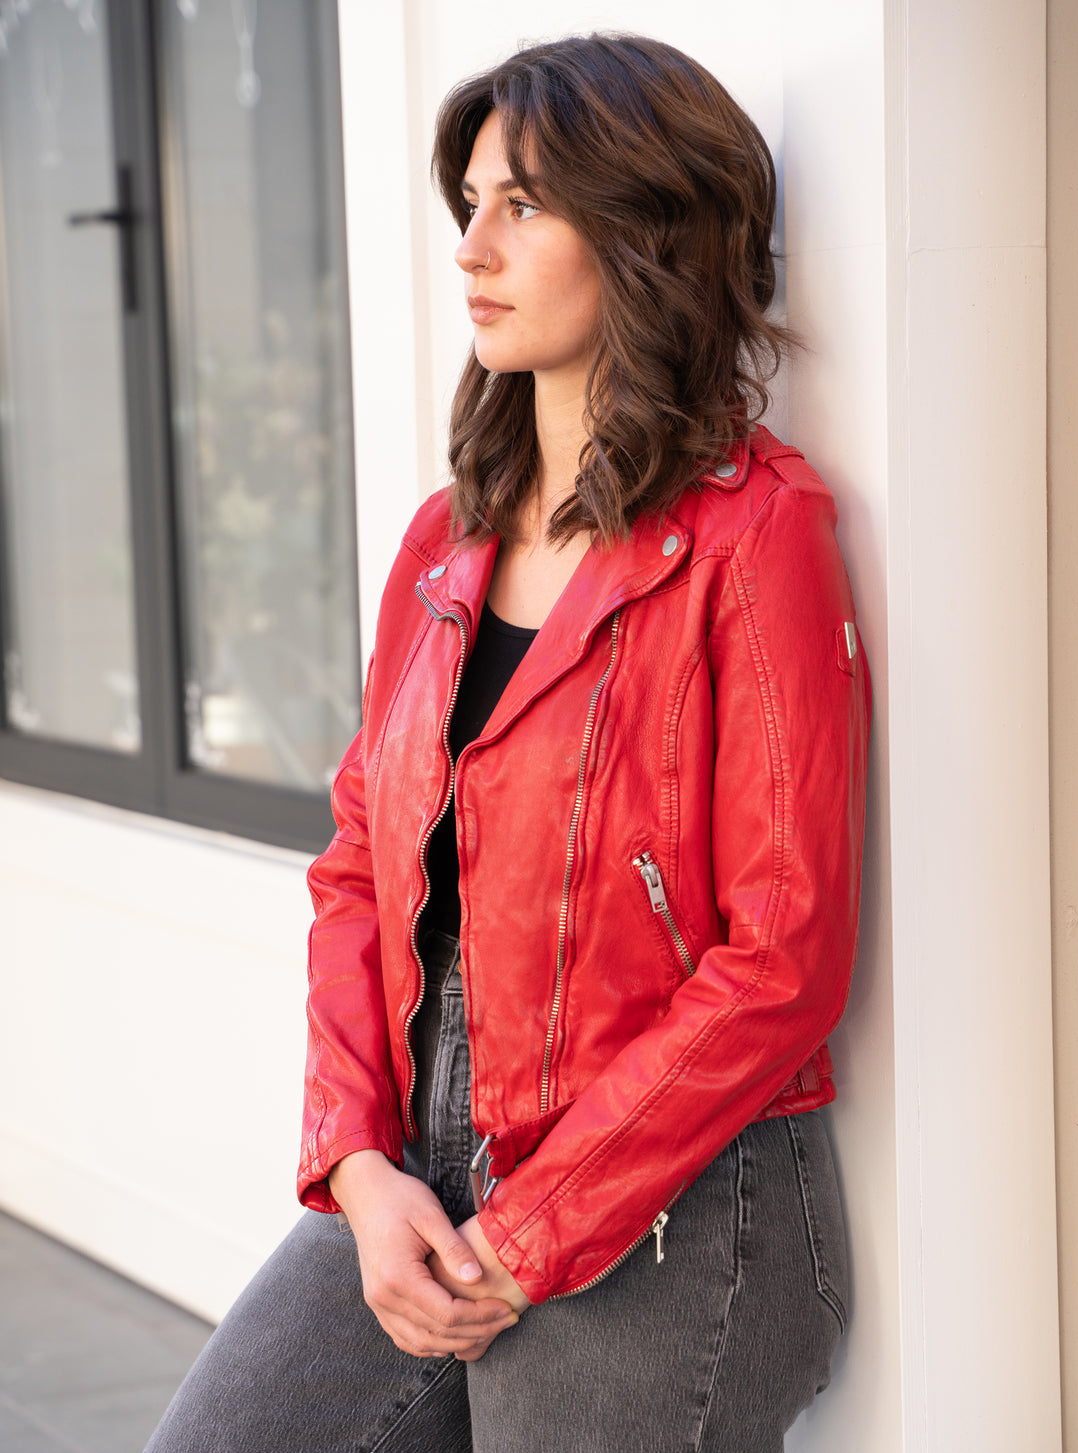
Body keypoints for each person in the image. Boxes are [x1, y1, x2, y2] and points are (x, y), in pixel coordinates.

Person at [147, 31, 870, 1453]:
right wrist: (357, 1164)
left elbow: (783, 952)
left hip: (676, 1189)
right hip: (429, 1150)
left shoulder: (753, 532)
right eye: (467, 201)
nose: (472, 245)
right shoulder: (444, 540)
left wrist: (536, 1228)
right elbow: (358, 867)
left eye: (523, 206)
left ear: (646, 228)